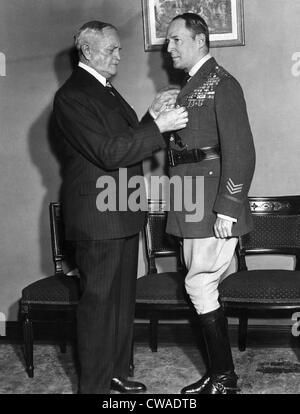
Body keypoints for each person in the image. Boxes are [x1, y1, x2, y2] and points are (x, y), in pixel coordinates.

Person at [53, 20, 188, 394]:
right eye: (111, 49)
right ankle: (93, 388)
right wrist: (157, 127)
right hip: (98, 218)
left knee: (120, 306)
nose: (118, 55)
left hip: (122, 210)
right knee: (98, 309)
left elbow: (125, 141)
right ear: (88, 52)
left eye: (118, 48)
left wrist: (151, 116)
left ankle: (115, 373)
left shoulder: (104, 90)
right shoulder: (73, 96)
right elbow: (108, 152)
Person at [165, 13, 255, 394]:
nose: (169, 48)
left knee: (200, 285)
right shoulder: (191, 85)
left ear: (200, 40)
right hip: (191, 198)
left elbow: (242, 151)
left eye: (176, 40)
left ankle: (224, 379)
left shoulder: (223, 83)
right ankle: (220, 374)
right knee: (200, 287)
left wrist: (228, 207)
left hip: (212, 201)